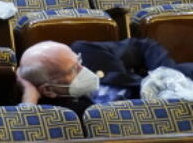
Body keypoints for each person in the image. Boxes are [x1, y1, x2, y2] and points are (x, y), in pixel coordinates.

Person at [17, 39, 193, 114]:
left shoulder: (88, 51)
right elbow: (25, 129)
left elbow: (143, 46)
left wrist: (169, 76)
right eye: (72, 70)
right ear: (48, 90)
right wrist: (29, 94)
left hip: (179, 83)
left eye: (78, 61)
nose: (84, 69)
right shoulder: (61, 113)